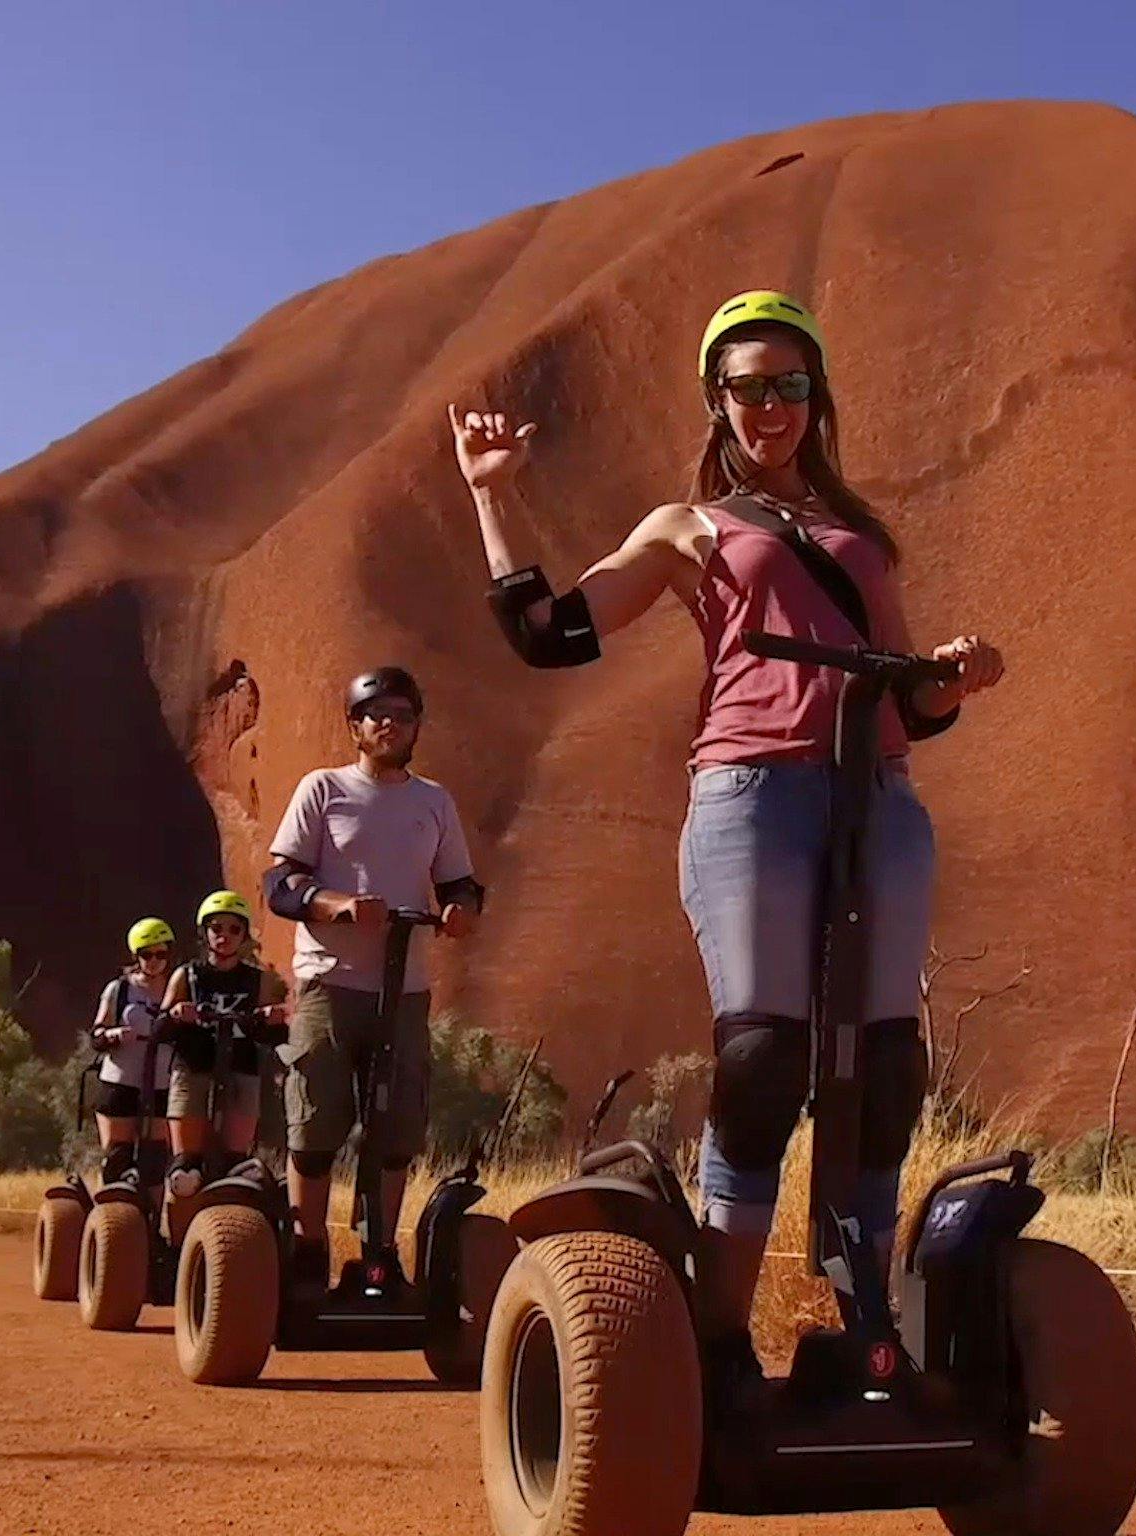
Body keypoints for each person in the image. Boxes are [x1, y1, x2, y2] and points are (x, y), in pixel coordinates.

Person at [447, 290, 1005, 1372]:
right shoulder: (683, 529)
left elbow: (908, 705)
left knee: (882, 1067)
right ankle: (719, 1336)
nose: (770, 406)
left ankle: (869, 1333)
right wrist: (492, 502)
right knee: (763, 1058)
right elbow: (549, 635)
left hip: (876, 797)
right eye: (747, 386)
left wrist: (953, 678)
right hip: (752, 795)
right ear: (716, 400)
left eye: (789, 385)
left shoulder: (863, 536)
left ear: (816, 398)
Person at [263, 666, 484, 1285]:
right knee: (316, 1121)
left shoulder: (433, 801)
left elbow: (458, 881)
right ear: (354, 726)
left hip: (405, 988)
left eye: (403, 715)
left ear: (418, 727)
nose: (390, 724)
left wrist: (462, 909)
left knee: (396, 1126)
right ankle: (308, 1249)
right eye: (376, 714)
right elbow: (280, 884)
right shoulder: (323, 789)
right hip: (330, 982)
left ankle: (380, 1253)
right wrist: (333, 905)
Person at [160, 891, 290, 1195]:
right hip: (193, 1067)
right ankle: (178, 1232)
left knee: (235, 1163)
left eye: (234, 929)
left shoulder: (260, 980)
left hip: (242, 1069)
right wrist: (177, 1014)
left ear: (244, 934)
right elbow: (160, 1028)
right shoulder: (187, 975)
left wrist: (274, 1019)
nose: (225, 936)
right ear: (205, 933)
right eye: (217, 928)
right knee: (186, 1168)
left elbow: (277, 1035)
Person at [88, 917, 177, 1184]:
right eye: (146, 954)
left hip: (162, 1085)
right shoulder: (120, 989)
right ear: (136, 956)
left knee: (155, 1161)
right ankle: (111, 1220)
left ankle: (151, 1223)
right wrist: (113, 1035)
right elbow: (96, 1035)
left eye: (160, 954)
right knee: (117, 1158)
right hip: (121, 1083)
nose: (154, 961)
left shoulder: (181, 987)